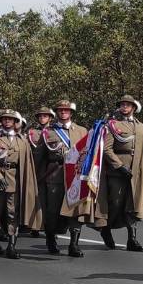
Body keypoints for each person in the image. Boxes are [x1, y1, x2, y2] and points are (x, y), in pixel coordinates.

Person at [0, 109, 40, 259]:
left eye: (10, 119)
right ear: (0, 121)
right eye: (4, 119)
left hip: (15, 181)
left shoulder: (22, 140)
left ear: (15, 122)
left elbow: (26, 162)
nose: (7, 121)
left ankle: (11, 246)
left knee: (12, 213)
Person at [95, 96, 143, 252]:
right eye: (122, 104)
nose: (125, 107)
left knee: (133, 204)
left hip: (136, 172)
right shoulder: (113, 125)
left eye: (128, 105)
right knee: (116, 203)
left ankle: (132, 239)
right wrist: (119, 166)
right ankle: (105, 228)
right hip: (117, 172)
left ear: (134, 107)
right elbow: (107, 149)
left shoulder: (141, 127)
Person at [34, 100, 90, 257]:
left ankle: (74, 244)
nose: (63, 112)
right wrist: (36, 178)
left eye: (66, 110)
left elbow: (88, 153)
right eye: (60, 110)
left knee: (75, 209)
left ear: (71, 112)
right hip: (55, 175)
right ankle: (51, 238)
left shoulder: (82, 131)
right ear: (57, 113)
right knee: (53, 210)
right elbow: (39, 157)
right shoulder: (48, 132)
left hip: (76, 177)